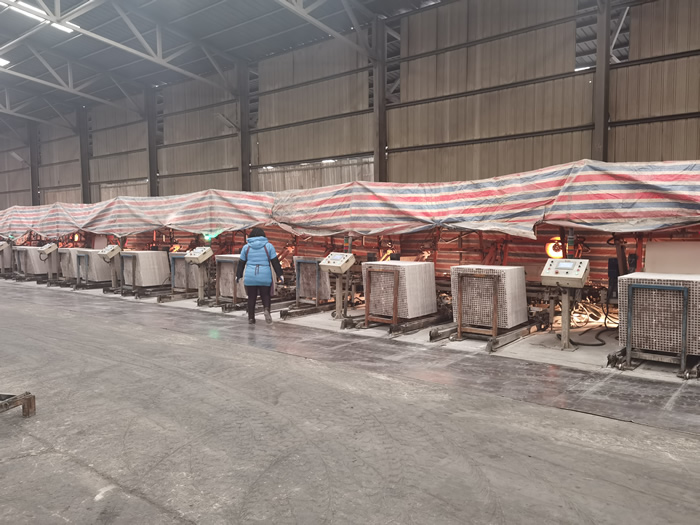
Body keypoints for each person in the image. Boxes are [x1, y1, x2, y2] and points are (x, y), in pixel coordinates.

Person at [235, 228, 284, 325]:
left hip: (250, 275)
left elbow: (241, 263)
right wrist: (280, 274)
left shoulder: (246, 247)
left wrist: (238, 275)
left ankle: (251, 318)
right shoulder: (269, 246)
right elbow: (275, 262)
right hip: (264, 275)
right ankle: (266, 309)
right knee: (265, 295)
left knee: (251, 297)